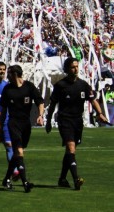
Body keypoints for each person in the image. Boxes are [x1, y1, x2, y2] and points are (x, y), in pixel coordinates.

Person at [46, 57, 108, 190]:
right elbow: (52, 104)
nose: (76, 69)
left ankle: (62, 179)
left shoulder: (83, 85)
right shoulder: (60, 85)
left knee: (70, 152)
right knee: (71, 147)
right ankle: (76, 179)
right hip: (65, 120)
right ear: (67, 69)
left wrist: (100, 113)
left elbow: (93, 100)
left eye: (77, 66)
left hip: (77, 121)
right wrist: (48, 121)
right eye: (73, 67)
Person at [0, 64, 44, 192]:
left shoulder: (29, 87)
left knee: (17, 155)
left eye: (9, 73)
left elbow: (40, 101)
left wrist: (40, 116)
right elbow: (3, 110)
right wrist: (1, 126)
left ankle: (6, 179)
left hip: (26, 124)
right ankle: (25, 182)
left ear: (15, 74)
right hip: (13, 123)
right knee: (19, 152)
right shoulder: (7, 89)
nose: (7, 76)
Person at [0, 61, 13, 164]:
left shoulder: (7, 85)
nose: (2, 71)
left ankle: (14, 170)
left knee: (9, 144)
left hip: (5, 119)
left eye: (4, 69)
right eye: (0, 69)